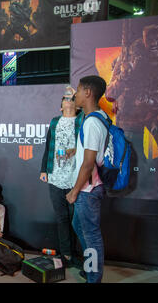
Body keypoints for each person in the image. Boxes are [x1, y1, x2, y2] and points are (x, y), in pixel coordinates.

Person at [66, 75, 108, 283]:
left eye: (79, 90)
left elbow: (88, 164)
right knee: (79, 226)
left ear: (88, 93)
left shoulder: (92, 123)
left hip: (87, 191)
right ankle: (91, 268)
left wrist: (75, 191)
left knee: (91, 236)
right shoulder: (99, 117)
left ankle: (94, 277)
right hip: (90, 189)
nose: (76, 95)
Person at [106, 24, 158, 159]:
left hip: (157, 115)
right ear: (143, 40)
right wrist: (124, 75)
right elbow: (110, 94)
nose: (153, 44)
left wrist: (156, 98)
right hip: (130, 119)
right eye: (149, 40)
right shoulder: (128, 58)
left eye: (157, 39)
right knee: (135, 162)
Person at [40, 87, 83, 267]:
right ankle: (66, 255)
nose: (68, 101)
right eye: (65, 99)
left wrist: (73, 151)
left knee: (76, 219)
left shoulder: (82, 119)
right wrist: (44, 169)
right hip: (55, 176)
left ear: (77, 104)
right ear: (60, 106)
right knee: (61, 218)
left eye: (72, 98)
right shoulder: (55, 122)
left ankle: (78, 254)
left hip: (75, 177)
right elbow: (48, 146)